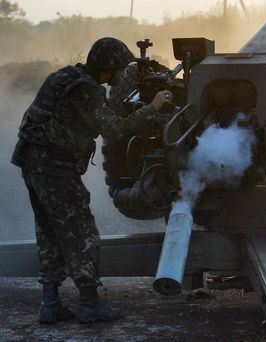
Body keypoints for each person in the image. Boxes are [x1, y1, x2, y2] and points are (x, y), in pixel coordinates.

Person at [10, 37, 173, 324]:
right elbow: (115, 130)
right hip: (54, 166)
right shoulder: (87, 89)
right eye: (120, 69)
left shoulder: (65, 77)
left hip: (31, 161)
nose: (122, 74)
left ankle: (50, 304)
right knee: (82, 231)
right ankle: (89, 303)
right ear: (108, 68)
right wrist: (154, 107)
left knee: (49, 231)